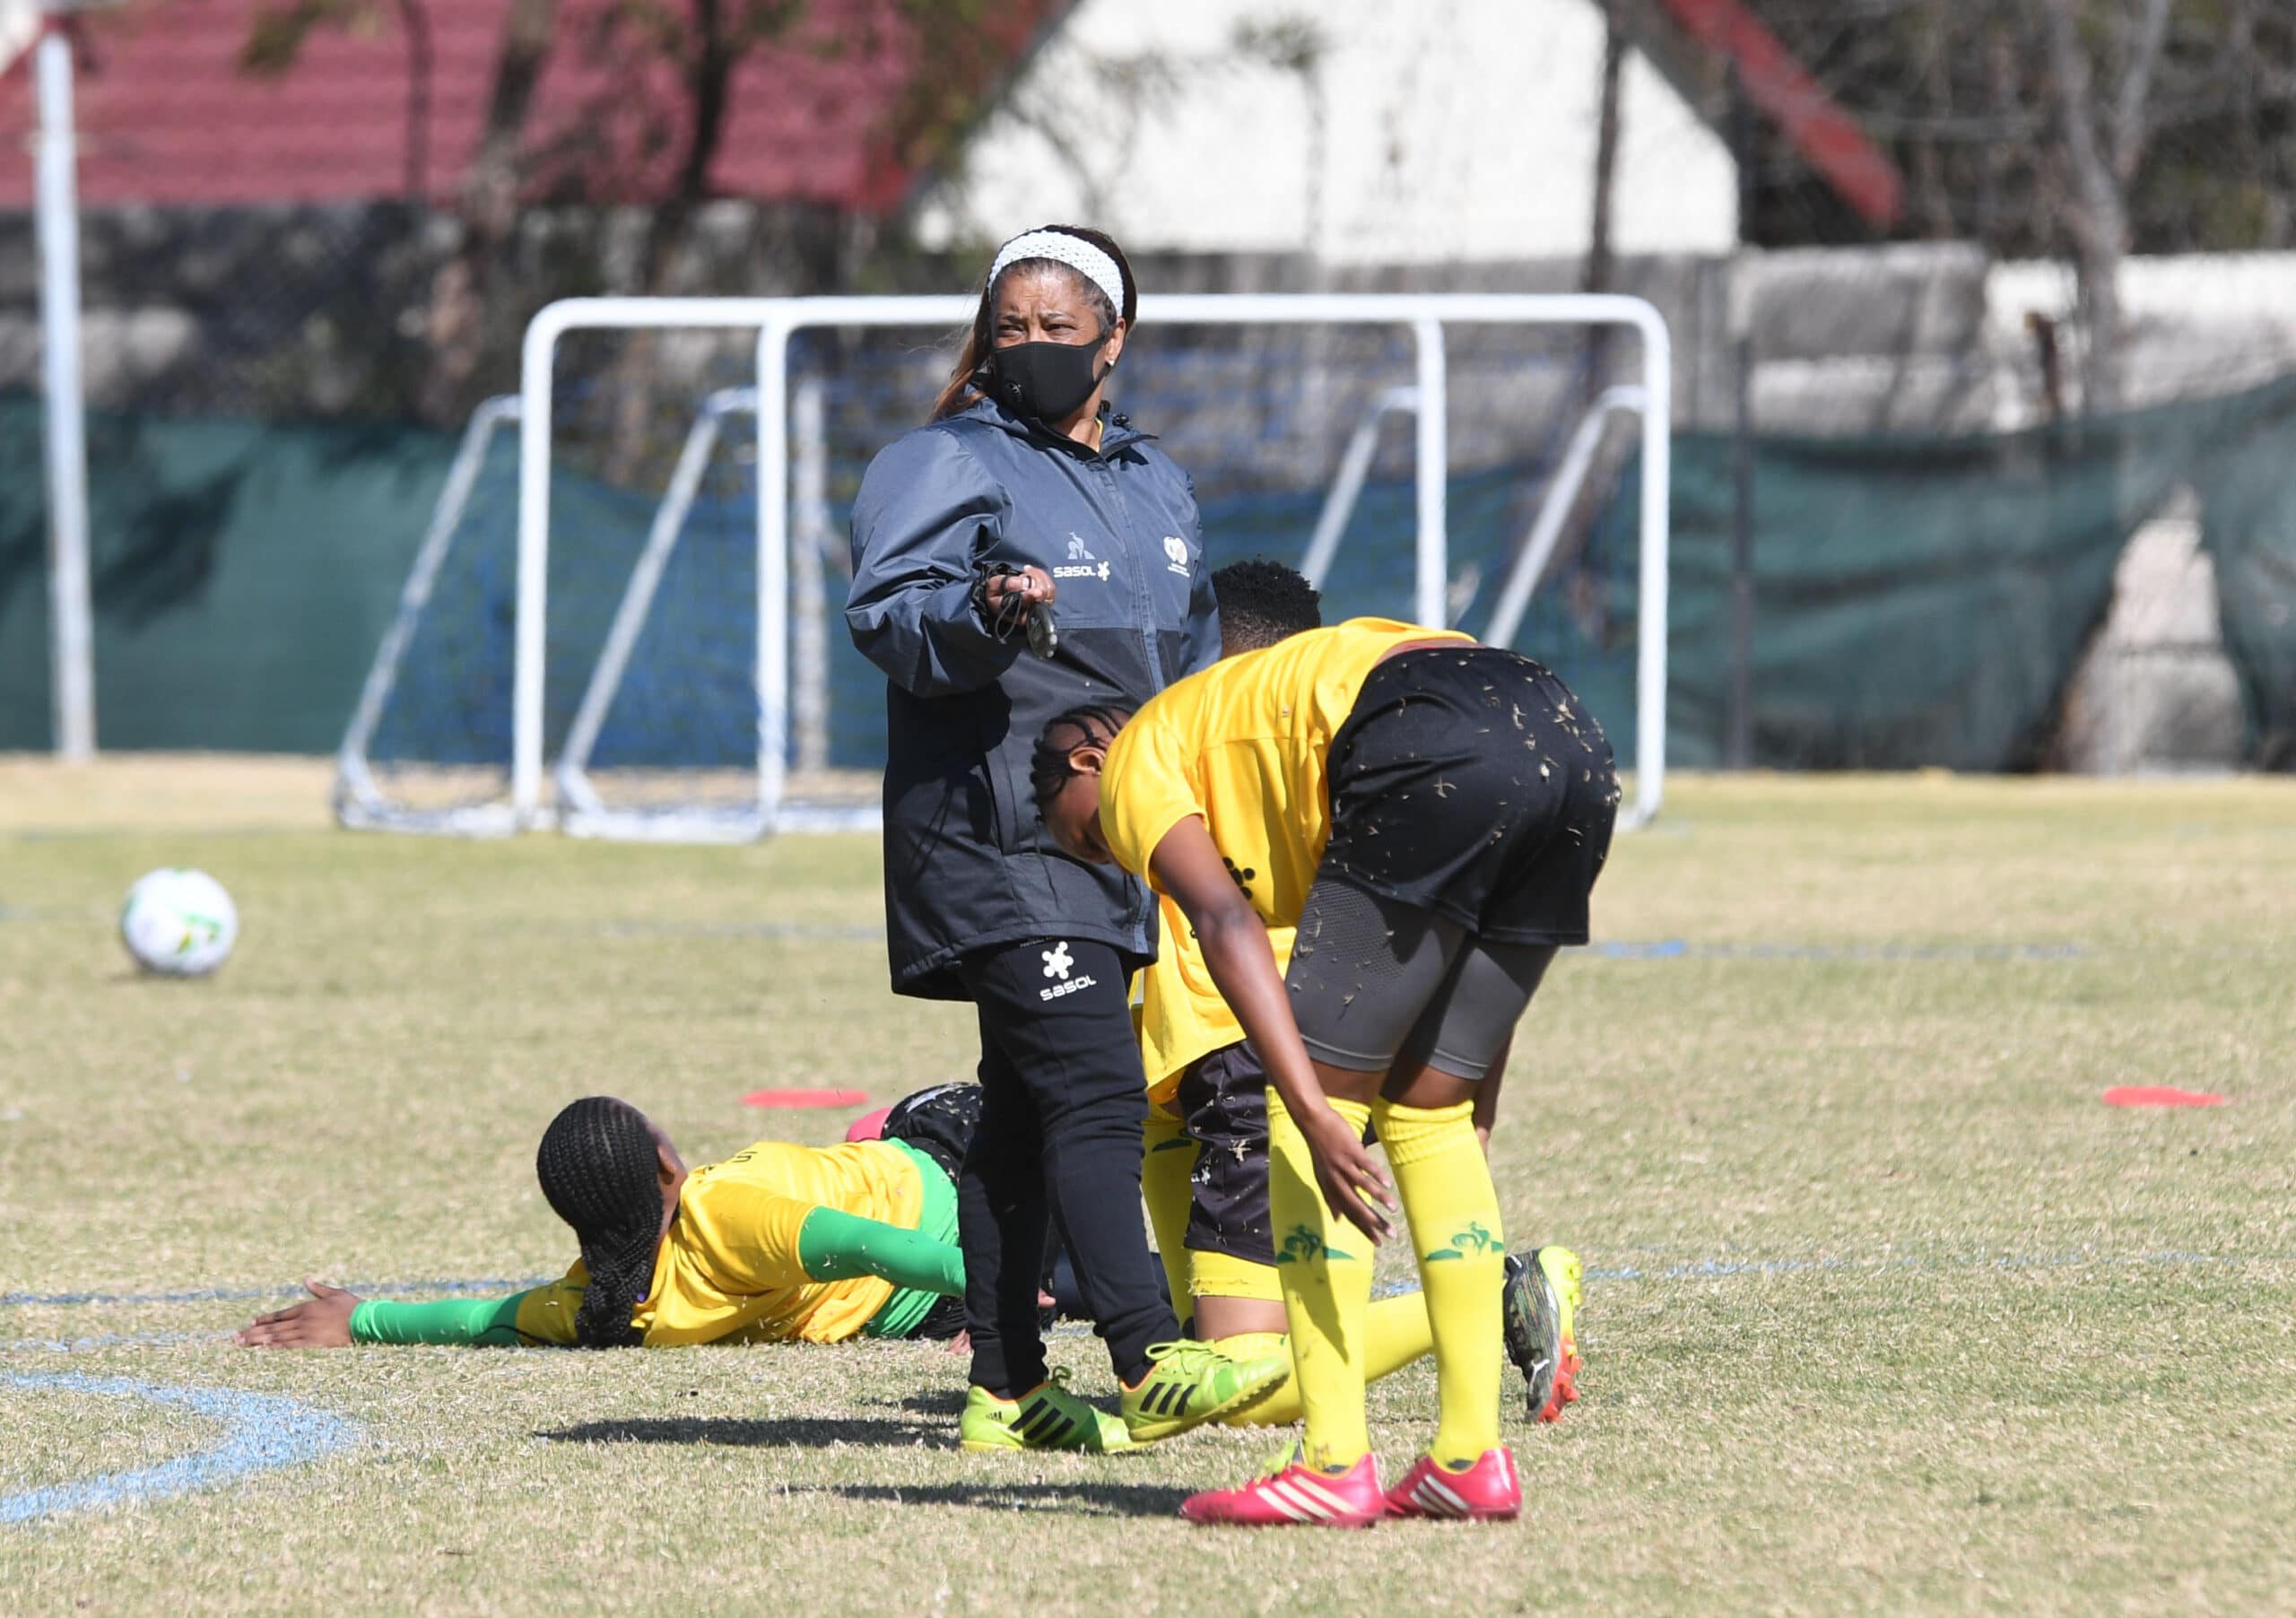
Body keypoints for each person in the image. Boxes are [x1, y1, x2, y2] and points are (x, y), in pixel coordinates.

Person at [844, 223, 1284, 1453]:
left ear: (1115, 340)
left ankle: (1004, 1385)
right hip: (993, 827)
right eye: (1010, 326)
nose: (1029, 347)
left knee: (1026, 1114)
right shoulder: (941, 460)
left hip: (1114, 838)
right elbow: (889, 615)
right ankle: (1151, 1355)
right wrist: (985, 611)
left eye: (1057, 326)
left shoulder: (1158, 483)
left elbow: (1190, 668)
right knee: (1092, 1085)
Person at [1033, 617, 1619, 1525]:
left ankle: (1332, 1460)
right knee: (1430, 1116)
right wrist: (1474, 1113)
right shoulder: (1249, 726)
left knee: (1315, 1108)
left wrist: (1304, 1103)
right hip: (1564, 731)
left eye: (1086, 841)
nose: (1113, 856)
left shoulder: (1135, 756)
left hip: (1425, 738)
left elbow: (1224, 922)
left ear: (1082, 763)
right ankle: (1469, 1457)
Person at [234, 1082, 1469, 1440]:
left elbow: (491, 1319)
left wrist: (368, 1322)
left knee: (1199, 1326)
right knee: (1208, 1325)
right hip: (959, 1173)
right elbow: (864, 1241)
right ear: (667, 1164)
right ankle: (1452, 1313)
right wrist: (986, 1288)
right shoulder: (726, 1208)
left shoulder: (609, 1305)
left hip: (912, 1178)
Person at [1133, 561, 1584, 1428]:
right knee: (1202, 1347)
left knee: (1240, 1384)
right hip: (1194, 1060)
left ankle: (1496, 1301)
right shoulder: (1334, 703)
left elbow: (1227, 923)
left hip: (1246, 1054)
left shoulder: (1197, 729)